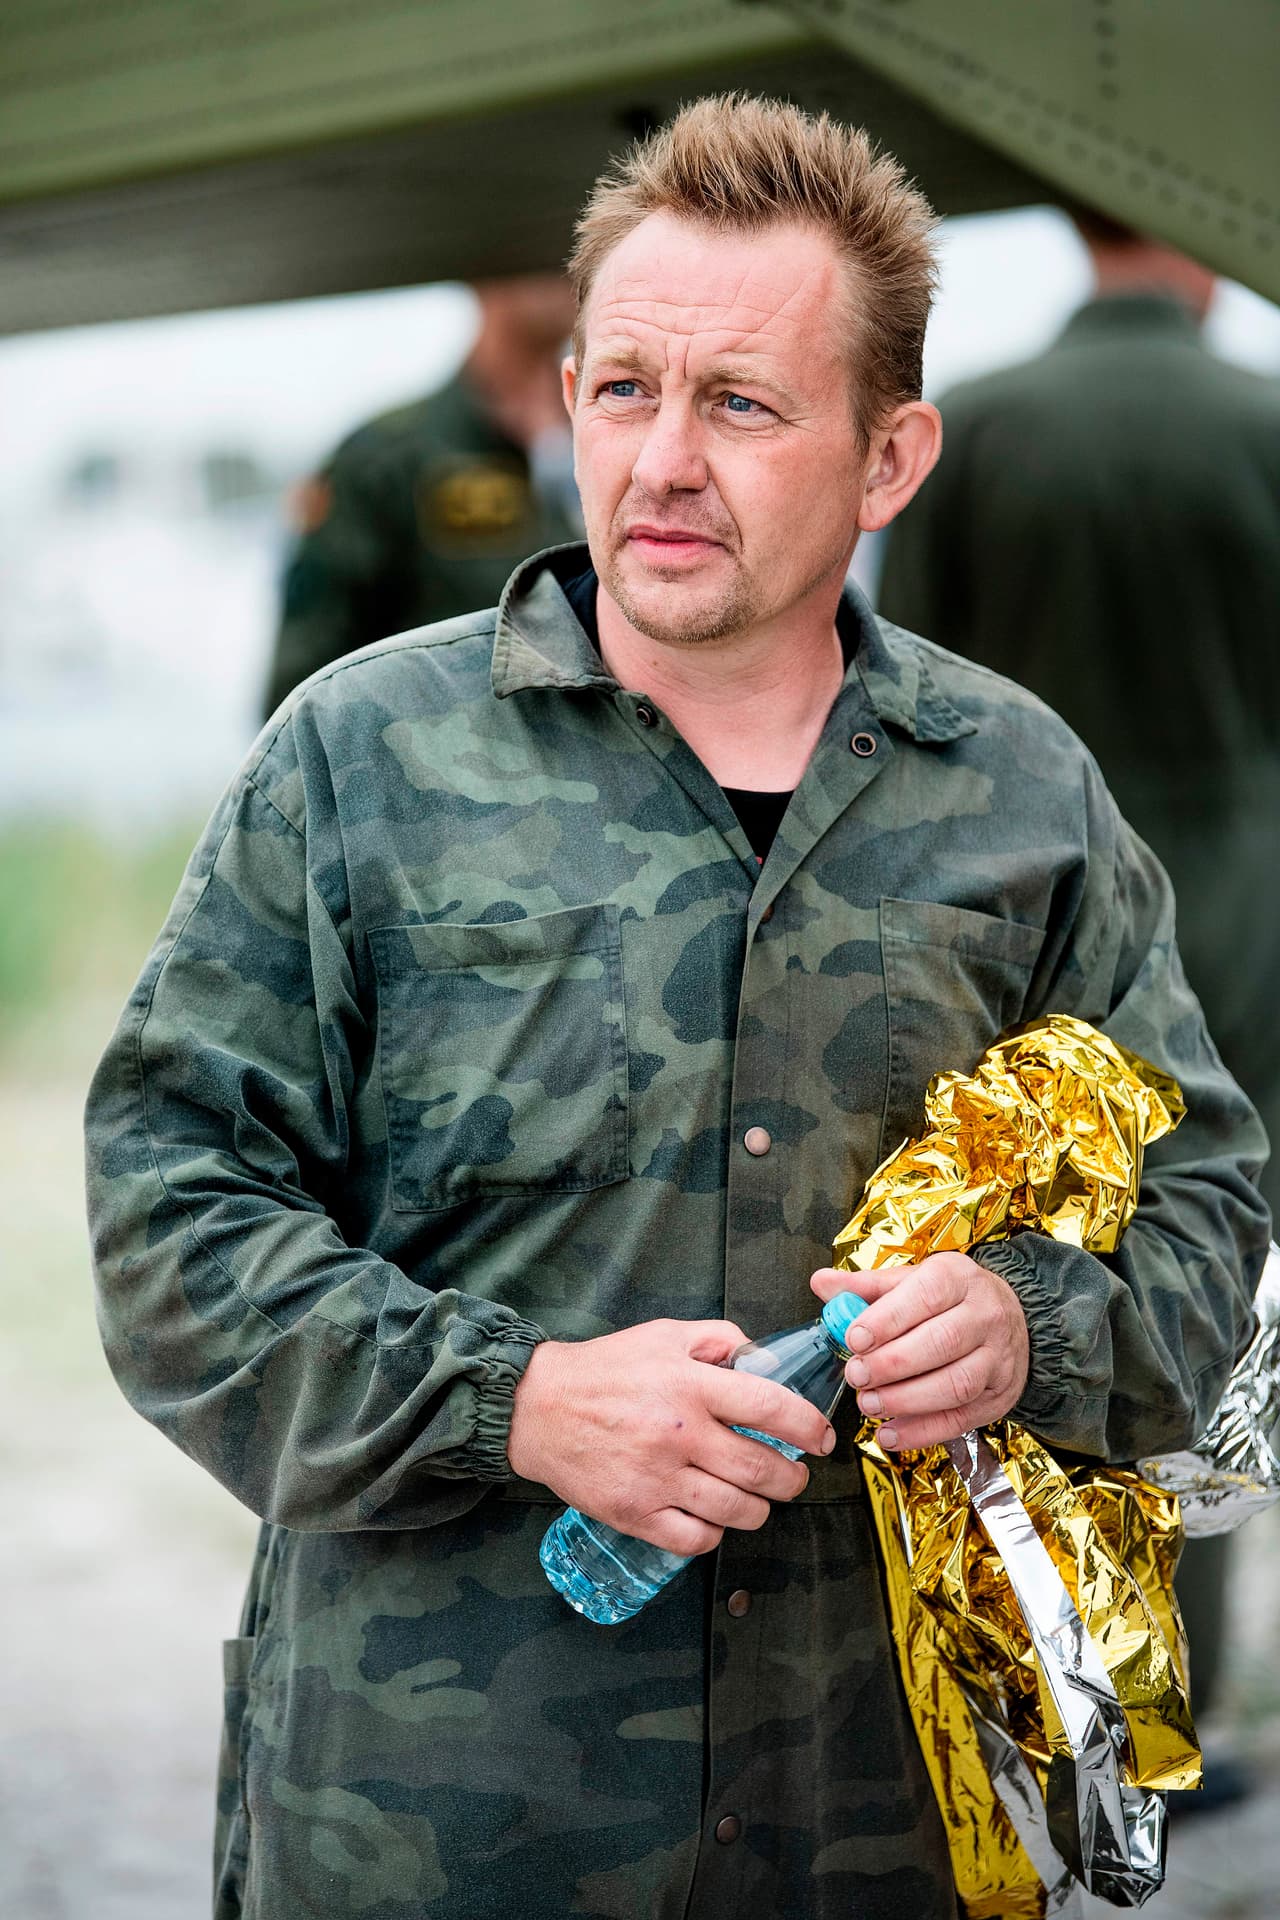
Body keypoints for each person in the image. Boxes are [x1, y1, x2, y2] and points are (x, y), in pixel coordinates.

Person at [85, 99, 1269, 1920]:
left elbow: (1208, 1214)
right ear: (565, 398)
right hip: (437, 1835)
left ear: (890, 458)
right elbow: (171, 1229)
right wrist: (523, 1401)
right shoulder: (356, 764)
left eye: (741, 404)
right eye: (624, 390)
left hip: (874, 1828)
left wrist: (1031, 1328)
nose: (662, 462)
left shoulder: (1022, 792)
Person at [877, 211, 1280, 1774]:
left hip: (1018, 932)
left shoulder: (975, 431)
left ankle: (1018, 1673)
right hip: (1251, 925)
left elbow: (898, 696)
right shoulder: (1266, 427)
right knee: (1217, 1297)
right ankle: (1170, 1702)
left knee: (999, 1288)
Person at [262, 272, 582, 715]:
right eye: (532, 240)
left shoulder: (620, 439)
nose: (562, 260)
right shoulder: (387, 459)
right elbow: (301, 696)